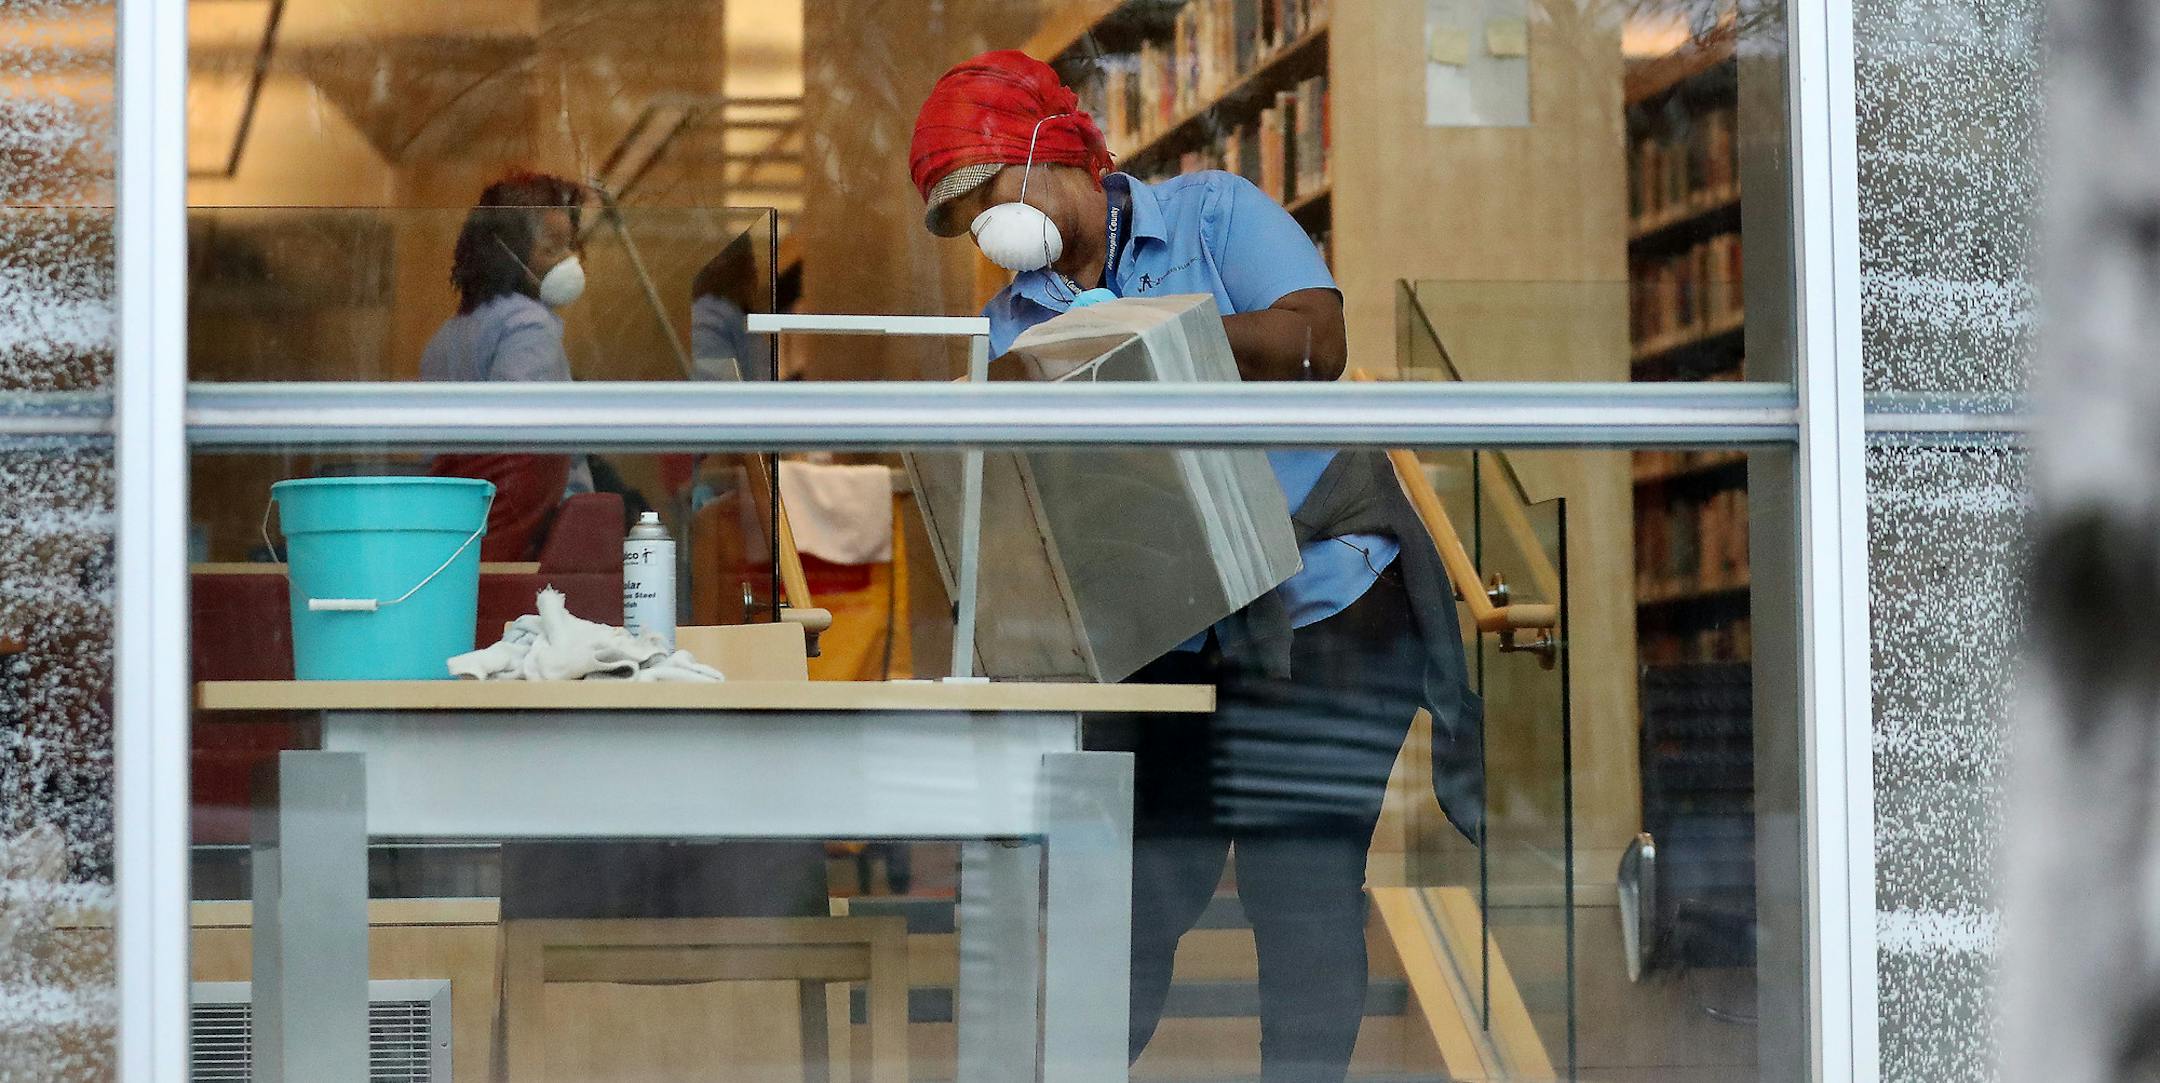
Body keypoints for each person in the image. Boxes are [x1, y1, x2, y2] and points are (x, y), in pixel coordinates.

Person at [910, 51, 1483, 1083]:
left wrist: (1149, 345)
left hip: (1328, 608)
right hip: (1165, 629)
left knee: (1298, 887)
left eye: (985, 196)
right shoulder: (1013, 320)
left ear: (1049, 151)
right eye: (963, 222)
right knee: (1132, 896)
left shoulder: (1214, 214)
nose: (988, 236)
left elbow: (1321, 340)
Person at [420, 172, 594, 561]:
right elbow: (525, 457)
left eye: (570, 246)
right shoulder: (528, 324)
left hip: (459, 534)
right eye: (552, 248)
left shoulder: (446, 336)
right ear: (508, 253)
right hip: (541, 542)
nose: (569, 261)